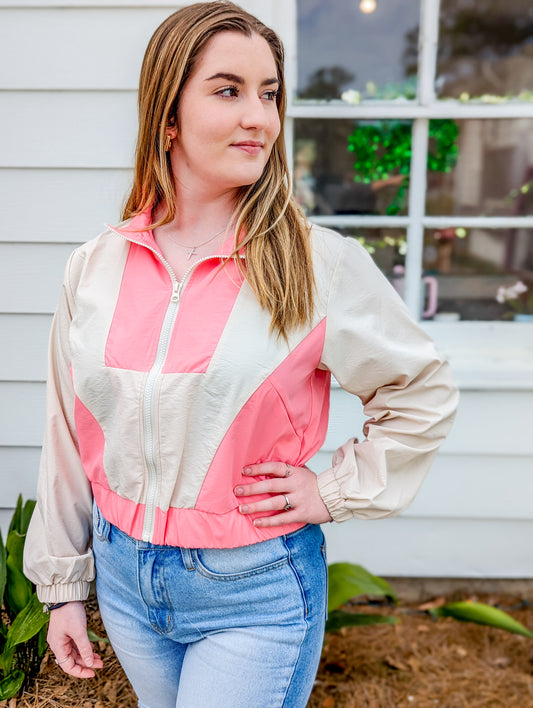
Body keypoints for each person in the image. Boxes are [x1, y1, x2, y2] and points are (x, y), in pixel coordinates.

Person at [23, 2, 458, 707]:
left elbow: (421, 390)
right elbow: (68, 437)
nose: (259, 116)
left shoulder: (315, 264)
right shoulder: (94, 266)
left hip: (253, 587)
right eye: (228, 90)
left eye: (269, 93)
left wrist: (332, 489)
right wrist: (63, 589)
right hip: (126, 578)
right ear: (168, 114)